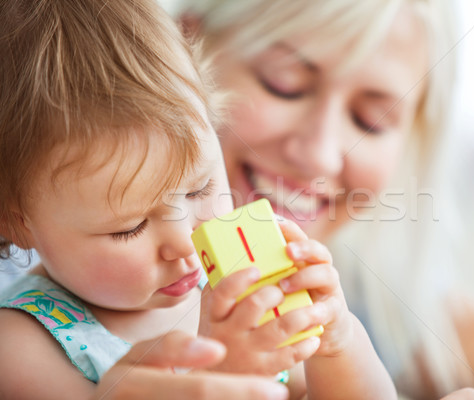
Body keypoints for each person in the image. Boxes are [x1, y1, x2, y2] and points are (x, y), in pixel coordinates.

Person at [171, 0, 474, 398]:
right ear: (182, 47)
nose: (319, 154)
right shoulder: (116, 309)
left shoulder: (360, 301)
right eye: (285, 85)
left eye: (370, 122)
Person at [0, 1, 396, 399]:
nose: (188, 242)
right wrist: (227, 371)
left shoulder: (239, 280)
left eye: (199, 189)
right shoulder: (20, 349)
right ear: (15, 222)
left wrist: (337, 342)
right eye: (129, 227)